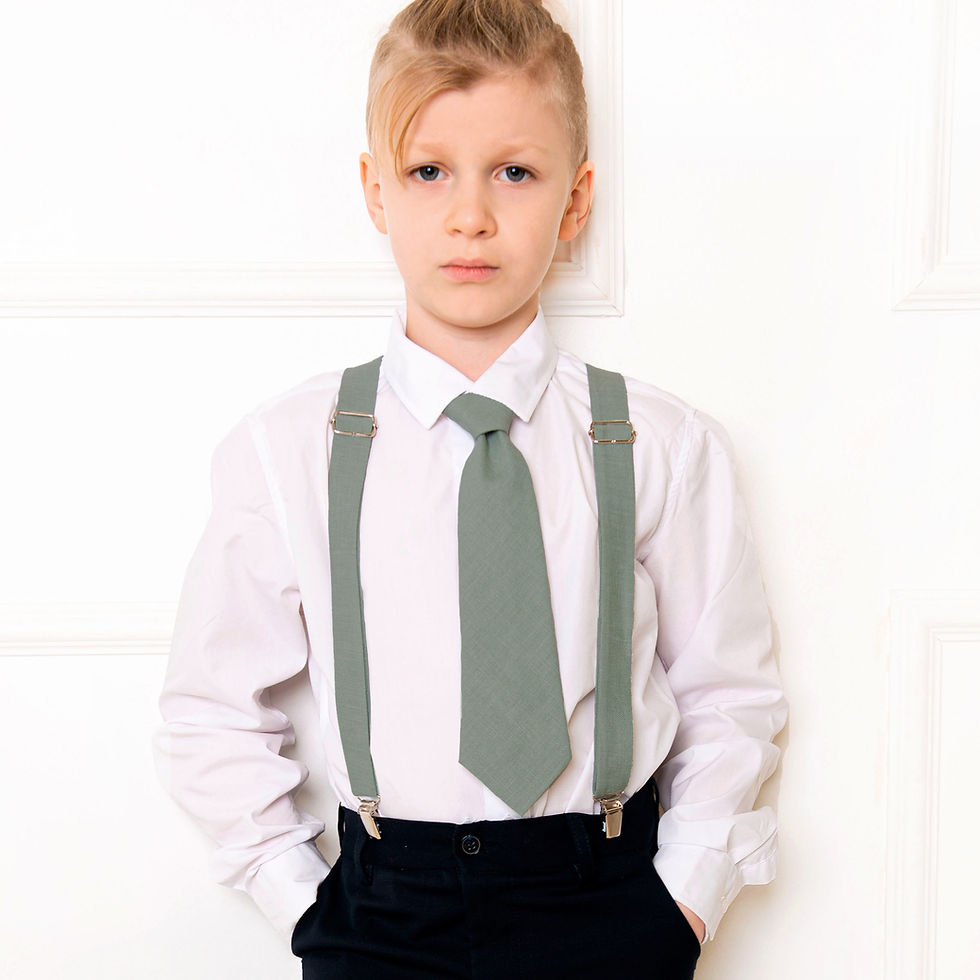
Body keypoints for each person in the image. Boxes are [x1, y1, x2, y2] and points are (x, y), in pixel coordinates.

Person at [154, 1, 787, 977]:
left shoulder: (658, 440)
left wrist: (682, 902)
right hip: (380, 906)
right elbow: (211, 708)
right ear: (375, 191)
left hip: (606, 895)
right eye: (427, 171)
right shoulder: (288, 449)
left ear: (574, 203)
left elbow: (727, 691)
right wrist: (306, 903)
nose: (469, 215)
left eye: (514, 172)